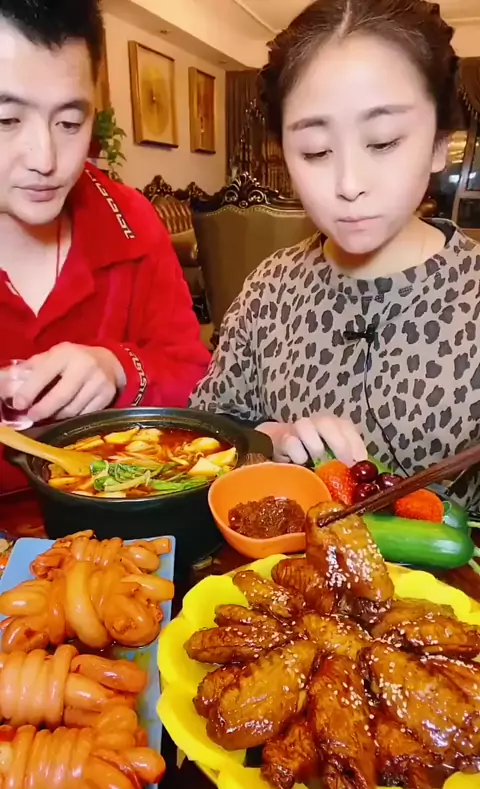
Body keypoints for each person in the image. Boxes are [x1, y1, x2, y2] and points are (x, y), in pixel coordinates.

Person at [191, 0, 480, 505]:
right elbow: (209, 429)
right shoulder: (270, 288)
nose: (348, 184)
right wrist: (271, 439)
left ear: (439, 142)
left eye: (383, 142)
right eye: (316, 151)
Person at [0, 0, 210, 493]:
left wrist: (117, 369)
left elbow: (197, 380)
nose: (45, 159)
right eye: (6, 121)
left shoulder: (131, 221)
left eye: (69, 123)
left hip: (111, 521)